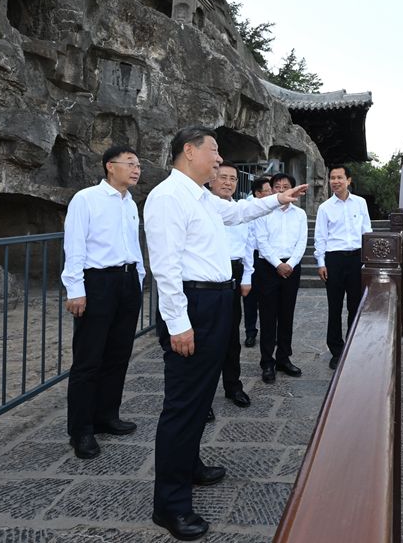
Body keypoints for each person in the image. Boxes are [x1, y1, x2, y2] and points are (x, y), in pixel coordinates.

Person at [144, 126, 306, 541]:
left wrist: (277, 200)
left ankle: (190, 465)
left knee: (202, 397)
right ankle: (170, 506)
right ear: (188, 151)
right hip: (193, 305)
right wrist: (178, 323)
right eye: (213, 151)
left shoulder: (201, 197)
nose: (218, 160)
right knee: (183, 404)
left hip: (216, 301)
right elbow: (165, 267)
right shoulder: (168, 197)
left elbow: (237, 214)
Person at [61, 145, 145, 459]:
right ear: (110, 166)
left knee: (118, 354)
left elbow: (133, 244)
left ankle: (107, 415)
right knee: (88, 359)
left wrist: (139, 279)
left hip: (127, 281)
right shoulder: (86, 199)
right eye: (130, 163)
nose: (136, 170)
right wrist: (75, 289)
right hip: (97, 282)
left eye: (138, 165)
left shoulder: (130, 202)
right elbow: (74, 244)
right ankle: (81, 430)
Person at [314, 165, 372, 370]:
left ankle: (352, 346)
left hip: (357, 258)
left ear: (349, 180)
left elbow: (367, 230)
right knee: (335, 306)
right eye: (332, 178)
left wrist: (368, 259)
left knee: (356, 305)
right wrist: (321, 263)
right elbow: (320, 237)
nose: (335, 181)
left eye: (340, 177)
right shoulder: (325, 208)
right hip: (334, 260)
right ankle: (336, 351)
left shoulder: (360, 203)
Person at [208, 161, 253, 417]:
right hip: (208, 275)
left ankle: (233, 386)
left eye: (232, 179)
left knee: (231, 335)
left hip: (234, 273)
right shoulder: (203, 207)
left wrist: (247, 276)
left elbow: (248, 246)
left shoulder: (241, 211)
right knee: (206, 338)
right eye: (223, 177)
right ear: (211, 179)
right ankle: (204, 396)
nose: (227, 183)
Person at [254, 172, 307, 383]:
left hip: (292, 268)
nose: (282, 189)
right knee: (268, 316)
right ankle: (267, 362)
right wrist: (278, 264)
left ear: (293, 189)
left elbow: (302, 242)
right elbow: (261, 241)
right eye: (277, 186)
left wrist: (290, 264)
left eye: (286, 186)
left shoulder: (300, 214)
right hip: (268, 267)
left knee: (287, 314)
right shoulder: (263, 211)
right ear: (272, 189)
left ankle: (284, 358)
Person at [242, 177, 272, 348]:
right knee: (250, 298)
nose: (271, 193)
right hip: (250, 256)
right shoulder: (246, 207)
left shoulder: (272, 207)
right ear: (258, 193)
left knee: (268, 296)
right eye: (267, 190)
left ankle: (269, 331)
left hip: (267, 257)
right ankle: (250, 332)